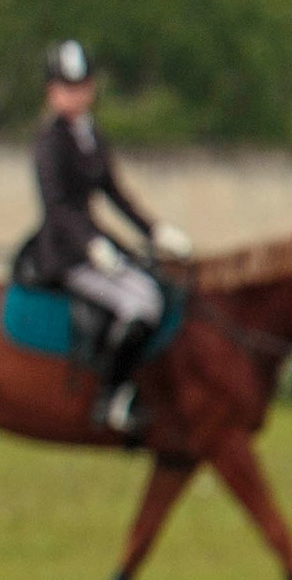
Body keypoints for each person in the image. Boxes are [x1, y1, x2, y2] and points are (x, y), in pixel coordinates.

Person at [16, 40, 189, 437]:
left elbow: (113, 191)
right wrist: (92, 245)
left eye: (81, 86)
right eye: (66, 87)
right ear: (52, 91)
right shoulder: (49, 140)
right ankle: (111, 396)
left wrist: (155, 231)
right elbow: (57, 206)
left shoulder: (91, 133)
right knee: (141, 303)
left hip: (97, 243)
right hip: (65, 251)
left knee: (156, 288)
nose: (75, 95)